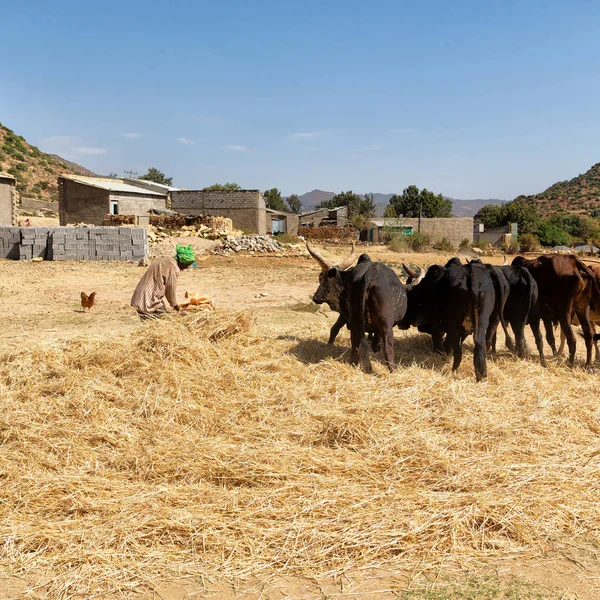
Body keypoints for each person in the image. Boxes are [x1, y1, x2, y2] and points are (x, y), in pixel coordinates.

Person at [131, 245, 196, 320]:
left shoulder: (166, 260)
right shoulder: (173, 268)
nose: (186, 268)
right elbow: (170, 291)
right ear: (182, 262)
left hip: (139, 297)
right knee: (164, 323)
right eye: (186, 265)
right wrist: (178, 310)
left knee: (155, 323)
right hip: (149, 300)